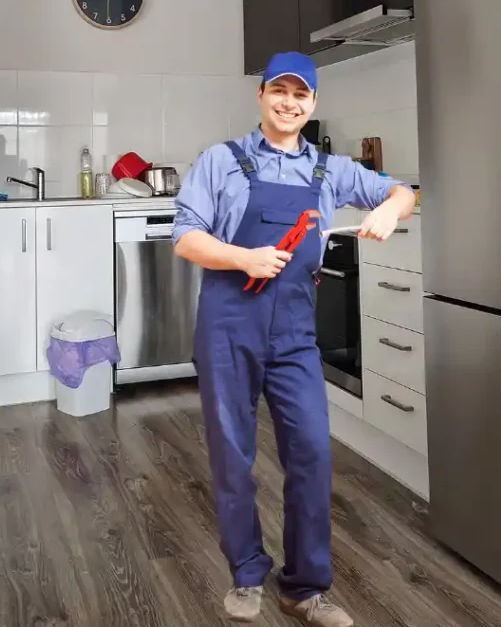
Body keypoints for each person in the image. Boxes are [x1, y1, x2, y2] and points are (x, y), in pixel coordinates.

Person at [173, 52, 415, 626]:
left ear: (313, 104)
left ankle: (304, 588)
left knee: (310, 453)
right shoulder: (222, 161)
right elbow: (185, 237)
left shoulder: (331, 170)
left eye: (300, 94)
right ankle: (246, 573)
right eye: (279, 91)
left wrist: (391, 210)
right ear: (261, 96)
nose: (289, 102)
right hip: (229, 324)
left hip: (295, 331)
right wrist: (242, 257)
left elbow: (404, 191)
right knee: (232, 454)